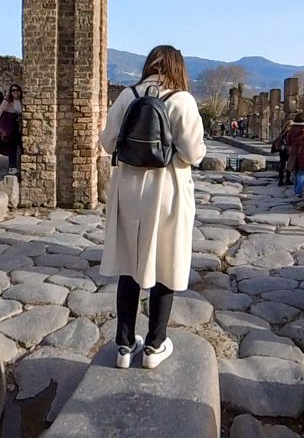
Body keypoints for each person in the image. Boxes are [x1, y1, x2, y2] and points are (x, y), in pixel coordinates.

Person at [99, 45, 206, 370]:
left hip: (129, 190)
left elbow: (107, 143)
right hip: (167, 191)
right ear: (178, 68)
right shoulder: (182, 100)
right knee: (166, 263)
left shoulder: (127, 96)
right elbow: (194, 153)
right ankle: (155, 346)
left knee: (129, 267)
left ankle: (124, 344)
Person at [0, 84, 24, 178]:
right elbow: (0, 113)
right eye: (13, 90)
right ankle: (12, 167)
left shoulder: (23, 101)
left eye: (17, 90)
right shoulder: (7, 102)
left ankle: (21, 166)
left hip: (22, 127)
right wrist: (11, 117)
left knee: (22, 147)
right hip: (11, 128)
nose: (15, 92)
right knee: (12, 148)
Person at [285, 113, 304, 197]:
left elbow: (288, 142)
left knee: (295, 172)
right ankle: (298, 191)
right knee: (301, 173)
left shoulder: (291, 131)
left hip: (293, 154)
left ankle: (296, 189)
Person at [272, 119, 293, 187]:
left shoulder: (283, 131)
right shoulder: (289, 132)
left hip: (282, 150)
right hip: (287, 150)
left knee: (282, 165)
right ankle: (287, 180)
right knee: (289, 165)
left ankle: (280, 180)